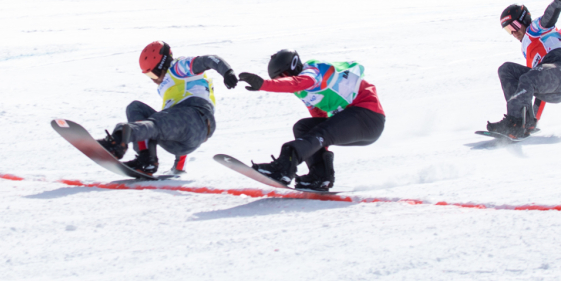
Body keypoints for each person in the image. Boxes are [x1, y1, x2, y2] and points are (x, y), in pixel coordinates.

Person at [237, 49, 385, 191]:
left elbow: (298, 82)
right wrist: (320, 148)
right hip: (354, 123)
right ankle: (320, 177)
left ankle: (283, 167)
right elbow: (320, 120)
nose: (282, 81)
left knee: (319, 133)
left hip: (368, 117)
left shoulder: (314, 71)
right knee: (303, 128)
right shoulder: (304, 91)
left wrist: (264, 84)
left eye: (281, 77)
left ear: (291, 69)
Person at [97, 41, 237, 174]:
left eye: (153, 74)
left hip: (198, 116)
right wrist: (178, 168)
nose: (153, 79)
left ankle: (118, 140)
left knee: (156, 124)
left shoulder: (178, 67)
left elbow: (210, 59)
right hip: (180, 141)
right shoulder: (166, 88)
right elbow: (175, 126)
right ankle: (146, 160)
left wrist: (227, 72)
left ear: (163, 65)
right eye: (148, 75)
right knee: (136, 108)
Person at [488, 0, 561, 139]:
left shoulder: (534, 29)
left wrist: (557, 2)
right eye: (508, 30)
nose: (513, 33)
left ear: (524, 19)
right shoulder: (527, 49)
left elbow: (548, 18)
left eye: (514, 26)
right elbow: (536, 83)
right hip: (552, 86)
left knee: (529, 77)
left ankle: (515, 123)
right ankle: (526, 122)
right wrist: (535, 121)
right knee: (506, 70)